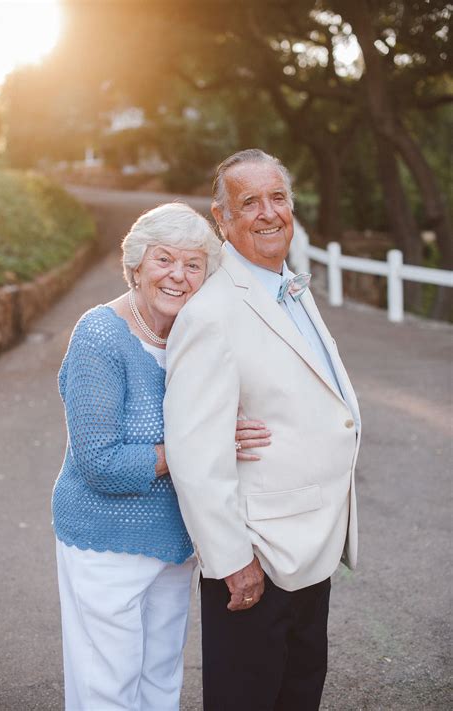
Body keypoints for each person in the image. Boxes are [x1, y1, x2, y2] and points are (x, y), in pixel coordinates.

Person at [51, 202, 271, 711]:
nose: (178, 275)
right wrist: (203, 442)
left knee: (160, 682)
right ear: (135, 266)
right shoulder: (100, 335)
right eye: (164, 260)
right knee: (107, 686)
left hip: (174, 544)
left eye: (194, 264)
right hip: (107, 542)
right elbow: (101, 464)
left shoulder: (196, 336)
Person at [163, 150, 362, 711]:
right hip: (257, 559)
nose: (267, 212)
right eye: (248, 202)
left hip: (308, 545)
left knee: (298, 694)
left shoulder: (288, 285)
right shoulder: (211, 312)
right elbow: (194, 453)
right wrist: (232, 561)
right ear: (221, 219)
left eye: (277, 198)